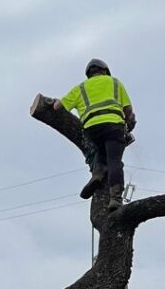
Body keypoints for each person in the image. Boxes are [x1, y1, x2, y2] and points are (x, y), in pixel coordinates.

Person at [53, 59, 135, 210]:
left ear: (89, 74)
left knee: (102, 151)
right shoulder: (115, 83)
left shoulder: (80, 88)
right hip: (113, 127)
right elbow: (128, 111)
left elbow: (58, 106)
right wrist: (129, 122)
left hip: (92, 130)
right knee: (115, 161)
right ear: (105, 71)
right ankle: (115, 198)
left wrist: (55, 102)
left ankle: (97, 174)